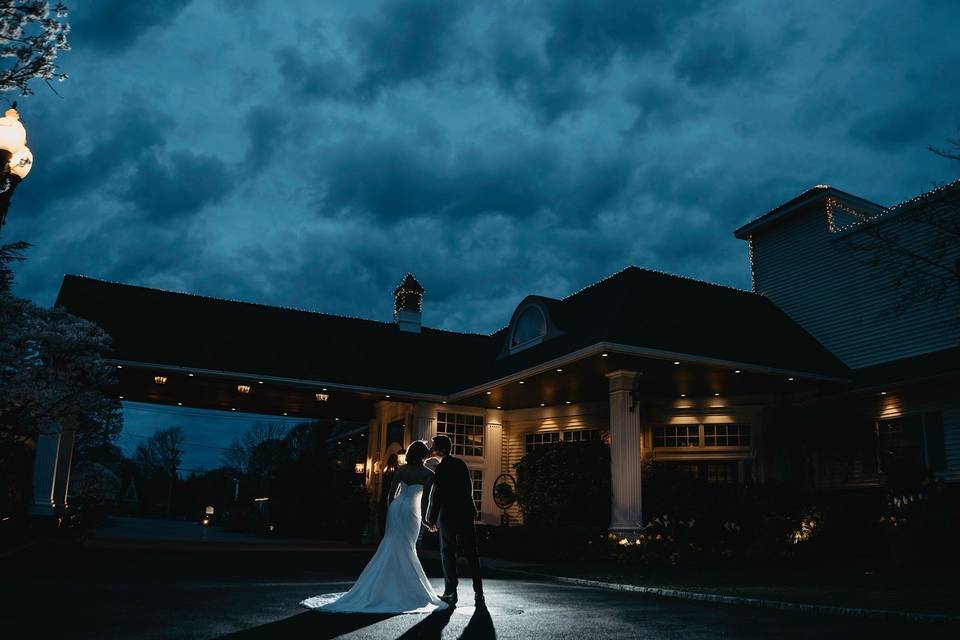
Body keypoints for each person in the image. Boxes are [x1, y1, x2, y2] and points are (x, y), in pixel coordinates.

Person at [300, 440, 448, 614]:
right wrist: (425, 520)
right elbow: (425, 501)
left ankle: (383, 585)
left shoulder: (401, 470)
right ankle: (403, 587)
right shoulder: (428, 474)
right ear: (423, 455)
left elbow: (391, 495)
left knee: (391, 544)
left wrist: (392, 511)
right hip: (411, 511)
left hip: (396, 509)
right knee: (407, 547)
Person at [424, 434, 484, 606]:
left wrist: (431, 519)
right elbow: (468, 488)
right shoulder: (461, 464)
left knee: (447, 552)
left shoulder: (442, 468)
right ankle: (479, 592)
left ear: (441, 450)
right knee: (472, 553)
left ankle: (451, 591)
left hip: (449, 515)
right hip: (465, 513)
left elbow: (437, 495)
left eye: (433, 446)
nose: (431, 449)